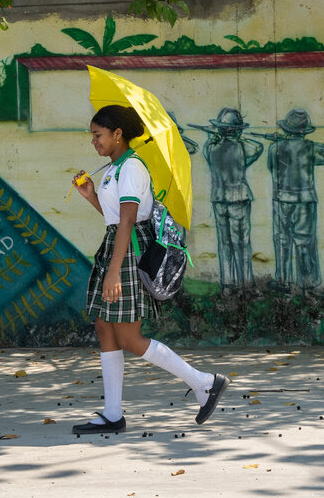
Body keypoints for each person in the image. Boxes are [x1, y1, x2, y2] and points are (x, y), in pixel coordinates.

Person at [71, 104, 229, 434]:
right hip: (117, 244)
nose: (94, 142)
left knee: (128, 337)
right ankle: (113, 414)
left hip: (127, 252)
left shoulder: (131, 168)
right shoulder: (115, 168)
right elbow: (115, 217)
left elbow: (129, 220)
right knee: (104, 327)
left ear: (117, 134)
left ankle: (204, 382)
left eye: (98, 135)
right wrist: (90, 196)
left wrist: (114, 272)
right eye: (92, 136)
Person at [190, 108, 263, 293]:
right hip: (239, 198)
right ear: (237, 130)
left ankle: (228, 285)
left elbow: (208, 149)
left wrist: (217, 136)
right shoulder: (244, 147)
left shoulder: (211, 147)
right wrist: (239, 137)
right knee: (242, 243)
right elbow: (258, 148)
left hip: (219, 200)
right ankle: (246, 283)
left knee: (225, 243)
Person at [265, 108, 324, 292]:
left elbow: (271, 168)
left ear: (286, 129)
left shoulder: (275, 148)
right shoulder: (311, 147)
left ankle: (283, 281)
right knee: (305, 242)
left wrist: (282, 145)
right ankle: (308, 284)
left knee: (282, 240)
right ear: (304, 131)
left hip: (282, 198)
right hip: (306, 200)